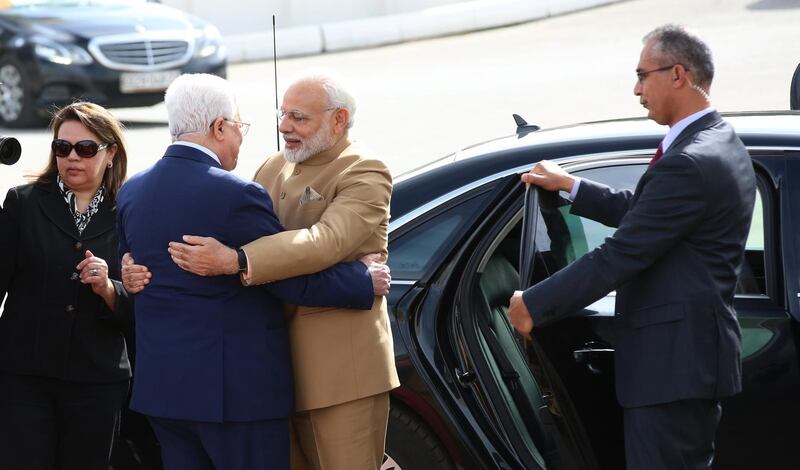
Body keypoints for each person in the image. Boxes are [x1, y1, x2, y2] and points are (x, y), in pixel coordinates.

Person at [508, 24, 756, 469]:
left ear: (677, 74)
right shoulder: (718, 141)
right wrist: (573, 187)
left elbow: (622, 253)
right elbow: (649, 214)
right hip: (688, 362)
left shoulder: (689, 161)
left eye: (643, 75)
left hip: (673, 368)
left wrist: (534, 304)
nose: (636, 89)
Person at [125, 70, 399, 469]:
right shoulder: (272, 168)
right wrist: (129, 267)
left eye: (299, 117)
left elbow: (326, 241)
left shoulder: (363, 169)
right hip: (272, 373)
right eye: (282, 115)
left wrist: (238, 259)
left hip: (340, 374)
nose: (284, 127)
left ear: (338, 120)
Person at [0, 102, 132, 470]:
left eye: (86, 148)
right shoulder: (22, 203)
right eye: (62, 147)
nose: (72, 157)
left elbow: (144, 305)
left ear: (110, 153)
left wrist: (109, 288)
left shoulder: (130, 211)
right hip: (23, 377)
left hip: (97, 381)